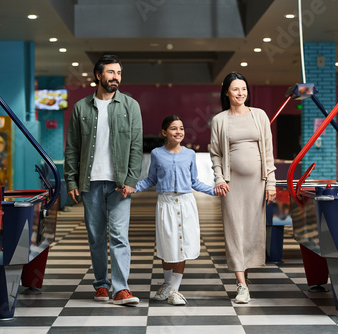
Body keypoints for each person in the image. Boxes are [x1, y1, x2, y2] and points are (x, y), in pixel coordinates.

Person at [64, 55, 143, 305]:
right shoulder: (81, 107)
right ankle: (101, 285)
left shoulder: (131, 106)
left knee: (119, 236)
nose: (116, 77)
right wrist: (71, 181)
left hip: (119, 184)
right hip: (90, 182)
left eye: (119, 73)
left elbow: (136, 147)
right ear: (98, 76)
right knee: (96, 236)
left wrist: (131, 179)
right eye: (111, 73)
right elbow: (72, 148)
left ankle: (121, 288)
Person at [134, 115, 225, 305]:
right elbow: (151, 180)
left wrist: (214, 191)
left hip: (186, 203)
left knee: (182, 247)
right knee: (168, 246)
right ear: (164, 132)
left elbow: (194, 182)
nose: (179, 132)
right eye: (174, 128)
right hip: (165, 204)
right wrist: (132, 188)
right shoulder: (157, 154)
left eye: (181, 128)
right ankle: (168, 285)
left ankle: (174, 290)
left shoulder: (189, 154)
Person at [209, 72, 277, 304]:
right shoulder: (220, 120)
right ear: (226, 92)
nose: (240, 93)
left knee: (251, 233)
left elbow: (268, 151)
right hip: (231, 185)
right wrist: (219, 178)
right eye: (236, 89)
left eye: (244, 89)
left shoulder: (259, 115)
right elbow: (216, 153)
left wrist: (271, 182)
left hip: (257, 184)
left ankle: (244, 279)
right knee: (234, 231)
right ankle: (241, 285)